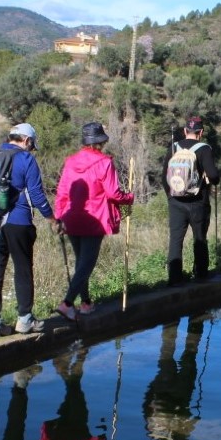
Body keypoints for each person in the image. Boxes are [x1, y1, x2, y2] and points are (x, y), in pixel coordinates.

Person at [0, 122, 56, 338]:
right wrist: (51, 218)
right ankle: (25, 320)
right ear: (26, 140)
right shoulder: (26, 159)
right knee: (23, 269)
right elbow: (37, 195)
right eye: (31, 145)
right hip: (18, 222)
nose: (31, 148)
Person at [53, 122, 134, 320]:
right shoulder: (105, 163)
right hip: (95, 219)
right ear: (101, 141)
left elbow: (62, 192)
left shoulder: (70, 162)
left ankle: (86, 303)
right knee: (86, 264)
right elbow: (113, 193)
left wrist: (59, 217)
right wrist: (129, 197)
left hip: (71, 218)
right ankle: (67, 304)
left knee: (81, 263)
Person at [39, 348, 109, 440]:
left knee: (75, 391)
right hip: (65, 435)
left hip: (75, 435)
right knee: (74, 393)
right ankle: (67, 365)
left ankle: (75, 361)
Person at [162, 116, 220, 286]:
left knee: (176, 240)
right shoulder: (204, 149)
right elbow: (213, 175)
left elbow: (164, 176)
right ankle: (201, 274)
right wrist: (214, 181)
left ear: (185, 131)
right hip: (198, 202)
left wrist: (171, 196)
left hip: (175, 202)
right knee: (199, 238)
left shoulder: (174, 147)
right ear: (201, 132)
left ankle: (174, 279)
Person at [142, 316, 206, 440]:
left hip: (168, 391)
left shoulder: (155, 437)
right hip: (179, 393)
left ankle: (174, 319)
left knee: (170, 353)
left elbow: (147, 409)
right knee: (187, 354)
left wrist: (152, 390)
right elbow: (192, 422)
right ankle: (192, 317)